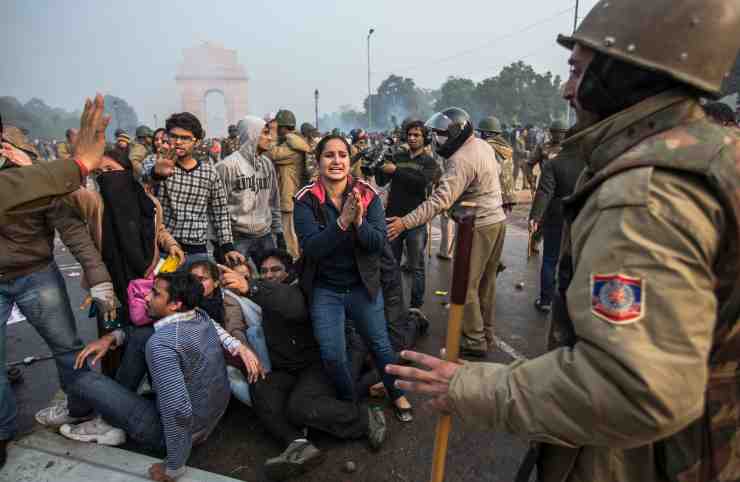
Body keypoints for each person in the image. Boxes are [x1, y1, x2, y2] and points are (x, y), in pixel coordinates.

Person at [388, 2, 740, 481]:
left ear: (624, 70)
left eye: (577, 69)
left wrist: (469, 387)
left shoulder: (646, 193)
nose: (566, 87)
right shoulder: (716, 154)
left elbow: (632, 386)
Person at [0, 109, 121, 468]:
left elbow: (72, 230)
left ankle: (80, 408)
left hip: (35, 272)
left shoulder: (32, 176)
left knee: (67, 348)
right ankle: (3, 431)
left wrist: (98, 278)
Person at [219, 252, 388, 479]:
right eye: (265, 271)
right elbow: (236, 325)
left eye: (276, 269)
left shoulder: (303, 291)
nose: (269, 274)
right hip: (287, 370)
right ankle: (298, 444)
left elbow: (292, 305)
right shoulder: (263, 296)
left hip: (318, 367)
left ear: (289, 273)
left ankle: (364, 419)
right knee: (260, 386)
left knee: (300, 406)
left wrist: (252, 287)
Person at [61, 272, 231, 482]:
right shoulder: (200, 317)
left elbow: (178, 410)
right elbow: (141, 334)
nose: (147, 298)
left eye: (155, 294)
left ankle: (81, 414)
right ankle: (112, 418)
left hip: (172, 433)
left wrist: (173, 467)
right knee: (141, 336)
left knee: (79, 378)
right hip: (209, 417)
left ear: (175, 304)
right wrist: (112, 337)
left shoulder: (162, 344)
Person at [293, 135, 413, 422]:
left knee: (380, 345)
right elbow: (312, 248)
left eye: (342, 155)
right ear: (318, 161)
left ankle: (396, 394)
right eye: (329, 155)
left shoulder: (367, 194)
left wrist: (358, 222)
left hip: (363, 287)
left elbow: (377, 243)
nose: (336, 161)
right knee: (333, 354)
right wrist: (341, 223)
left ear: (350, 160)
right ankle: (350, 404)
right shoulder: (305, 198)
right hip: (326, 289)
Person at [387, 108, 506, 358]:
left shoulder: (461, 160)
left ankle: (473, 340)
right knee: (486, 283)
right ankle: (486, 332)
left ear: (455, 133)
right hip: (497, 220)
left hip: (479, 225)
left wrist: (404, 223)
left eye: (441, 135)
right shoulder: (482, 146)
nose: (437, 140)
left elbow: (438, 202)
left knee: (466, 285)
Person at [142, 112, 244, 266]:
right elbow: (143, 185)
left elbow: (220, 211)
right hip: (164, 248)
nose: (178, 142)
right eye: (174, 136)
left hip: (197, 251)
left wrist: (228, 246)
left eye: (185, 138)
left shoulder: (209, 172)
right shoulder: (154, 162)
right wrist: (156, 174)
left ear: (196, 141)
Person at [375, 120, 439, 320]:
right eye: (410, 134)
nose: (412, 138)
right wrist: (378, 166)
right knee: (390, 263)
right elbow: (381, 181)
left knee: (416, 265)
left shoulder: (429, 162)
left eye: (416, 135)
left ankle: (415, 307)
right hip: (392, 218)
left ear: (424, 138)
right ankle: (392, 302)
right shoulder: (397, 156)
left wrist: (396, 171)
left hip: (415, 221)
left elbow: (420, 183)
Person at [215, 116, 285, 265]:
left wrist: (279, 232)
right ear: (252, 134)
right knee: (236, 282)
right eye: (265, 133)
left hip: (265, 235)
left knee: (271, 282)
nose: (270, 138)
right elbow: (217, 208)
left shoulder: (267, 164)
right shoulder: (227, 166)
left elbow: (273, 201)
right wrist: (222, 243)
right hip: (237, 237)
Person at [528, 124, 582, 314]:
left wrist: (535, 216)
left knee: (550, 258)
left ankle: (545, 300)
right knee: (574, 259)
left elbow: (545, 191)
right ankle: (568, 302)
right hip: (580, 213)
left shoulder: (553, 163)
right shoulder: (589, 162)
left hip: (556, 212)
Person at [267, 109, 312, 259]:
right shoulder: (297, 142)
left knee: (290, 236)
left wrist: (272, 134)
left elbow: (272, 154)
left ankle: (295, 264)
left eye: (278, 128)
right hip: (295, 194)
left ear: (283, 127)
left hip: (290, 195)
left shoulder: (292, 147)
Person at [477, 116, 516, 213]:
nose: (479, 135)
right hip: (507, 193)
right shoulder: (504, 146)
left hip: (493, 193)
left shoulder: (486, 146)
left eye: (481, 132)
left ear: (486, 133)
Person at [526, 120, 567, 198]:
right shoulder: (542, 147)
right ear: (551, 132)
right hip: (546, 185)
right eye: (555, 132)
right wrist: (531, 179)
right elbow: (529, 164)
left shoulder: (570, 147)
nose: (558, 135)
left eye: (561, 132)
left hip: (564, 186)